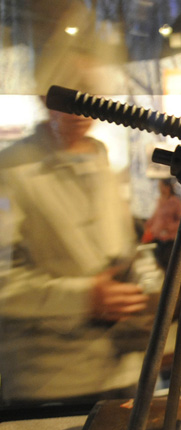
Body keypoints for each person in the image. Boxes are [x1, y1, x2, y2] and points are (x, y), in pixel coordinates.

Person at [0, 46, 151, 404]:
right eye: (69, 92)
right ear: (44, 96)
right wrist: (84, 297)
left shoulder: (98, 158)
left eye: (89, 93)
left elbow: (124, 252)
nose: (80, 106)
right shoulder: (11, 169)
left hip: (119, 369)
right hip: (48, 378)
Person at [141, 178, 181, 268]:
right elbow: (156, 215)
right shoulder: (160, 200)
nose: (160, 189)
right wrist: (149, 223)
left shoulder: (176, 202)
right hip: (158, 237)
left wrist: (169, 227)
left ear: (168, 187)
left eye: (162, 186)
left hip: (170, 238)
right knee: (159, 261)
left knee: (169, 262)